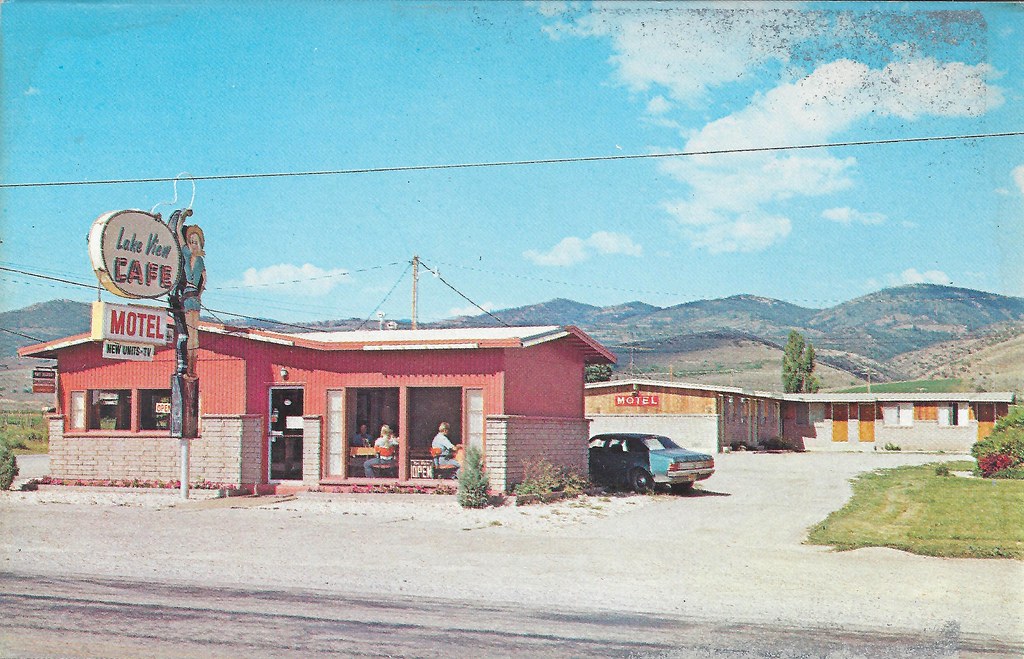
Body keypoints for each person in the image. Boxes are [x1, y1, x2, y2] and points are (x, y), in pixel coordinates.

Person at [169, 210, 206, 379]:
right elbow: (177, 232)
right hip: (184, 297)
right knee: (187, 335)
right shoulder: (185, 254)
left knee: (193, 337)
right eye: (191, 241)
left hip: (193, 300)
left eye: (196, 242)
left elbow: (204, 280)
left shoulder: (199, 261)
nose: (193, 245)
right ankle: (187, 369)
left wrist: (199, 295)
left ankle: (192, 370)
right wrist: (182, 217)